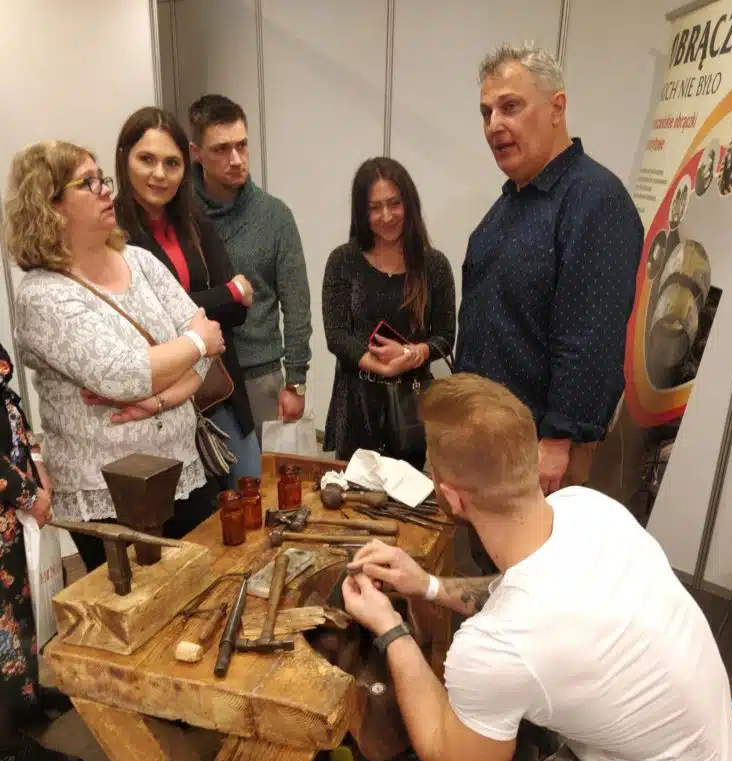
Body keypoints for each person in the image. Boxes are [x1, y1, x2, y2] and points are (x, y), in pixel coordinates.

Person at [341, 373, 732, 761]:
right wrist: (428, 587)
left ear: (448, 496)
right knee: (517, 708)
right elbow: (512, 593)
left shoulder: (499, 646)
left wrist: (391, 631)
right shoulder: (587, 510)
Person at [5, 141, 225, 572]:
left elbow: (207, 351)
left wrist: (159, 398)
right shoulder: (42, 295)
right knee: (136, 606)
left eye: (100, 177)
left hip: (183, 468)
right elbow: (125, 375)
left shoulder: (139, 261)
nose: (106, 189)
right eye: (87, 183)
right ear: (50, 205)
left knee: (204, 585)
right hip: (109, 495)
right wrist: (194, 344)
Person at [456, 44, 643, 497]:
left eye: (510, 106)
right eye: (486, 112)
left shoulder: (594, 200)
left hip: (543, 454)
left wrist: (559, 439)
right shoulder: (510, 203)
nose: (494, 125)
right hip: (490, 438)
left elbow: (590, 336)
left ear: (557, 108)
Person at [113, 106, 261, 488]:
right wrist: (227, 292)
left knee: (249, 496)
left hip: (217, 388)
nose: (160, 174)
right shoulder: (111, 233)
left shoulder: (194, 223)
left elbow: (239, 313)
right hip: (155, 400)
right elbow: (150, 317)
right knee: (189, 514)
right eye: (147, 159)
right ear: (124, 159)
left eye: (172, 163)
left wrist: (212, 302)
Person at [189, 94, 312, 445]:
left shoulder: (275, 216)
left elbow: (297, 305)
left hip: (261, 376)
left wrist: (296, 381)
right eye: (221, 149)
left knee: (264, 476)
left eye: (242, 146)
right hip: (195, 374)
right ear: (197, 153)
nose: (236, 159)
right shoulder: (181, 217)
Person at [322, 157, 455, 465]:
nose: (386, 216)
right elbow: (336, 335)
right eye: (374, 208)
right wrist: (381, 367)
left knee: (408, 487)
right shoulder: (343, 261)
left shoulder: (434, 265)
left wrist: (412, 354)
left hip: (410, 404)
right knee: (355, 490)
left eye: (394, 204)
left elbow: (445, 336)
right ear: (361, 212)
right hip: (356, 405)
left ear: (409, 203)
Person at [0, 340, 87, 761]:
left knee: (17, 614)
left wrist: (37, 465)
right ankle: (7, 751)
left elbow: (8, 402)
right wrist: (28, 494)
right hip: (8, 503)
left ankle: (24, 700)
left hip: (8, 517)